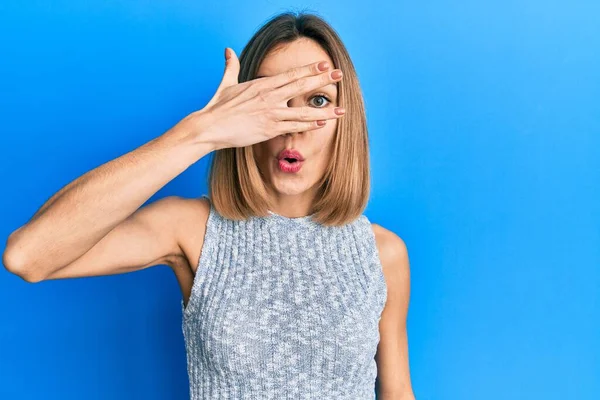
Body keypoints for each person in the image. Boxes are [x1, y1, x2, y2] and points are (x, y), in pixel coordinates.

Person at [3, 11, 414, 400]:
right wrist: (201, 133)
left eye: (318, 101)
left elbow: (397, 392)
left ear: (347, 119)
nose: (294, 124)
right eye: (270, 97)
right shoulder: (191, 229)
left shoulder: (382, 254)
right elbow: (28, 255)